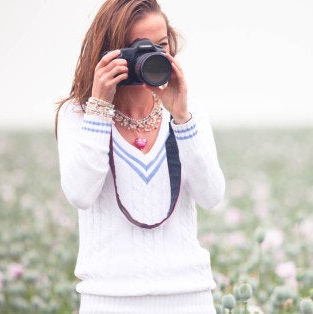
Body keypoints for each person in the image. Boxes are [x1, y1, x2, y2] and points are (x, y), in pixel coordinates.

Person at [55, 0, 225, 312]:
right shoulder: (78, 115)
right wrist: (99, 107)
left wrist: (182, 118)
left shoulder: (190, 111)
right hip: (108, 300)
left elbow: (211, 196)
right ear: (107, 53)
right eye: (137, 49)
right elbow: (80, 194)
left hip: (189, 297)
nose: (151, 57)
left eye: (160, 46)